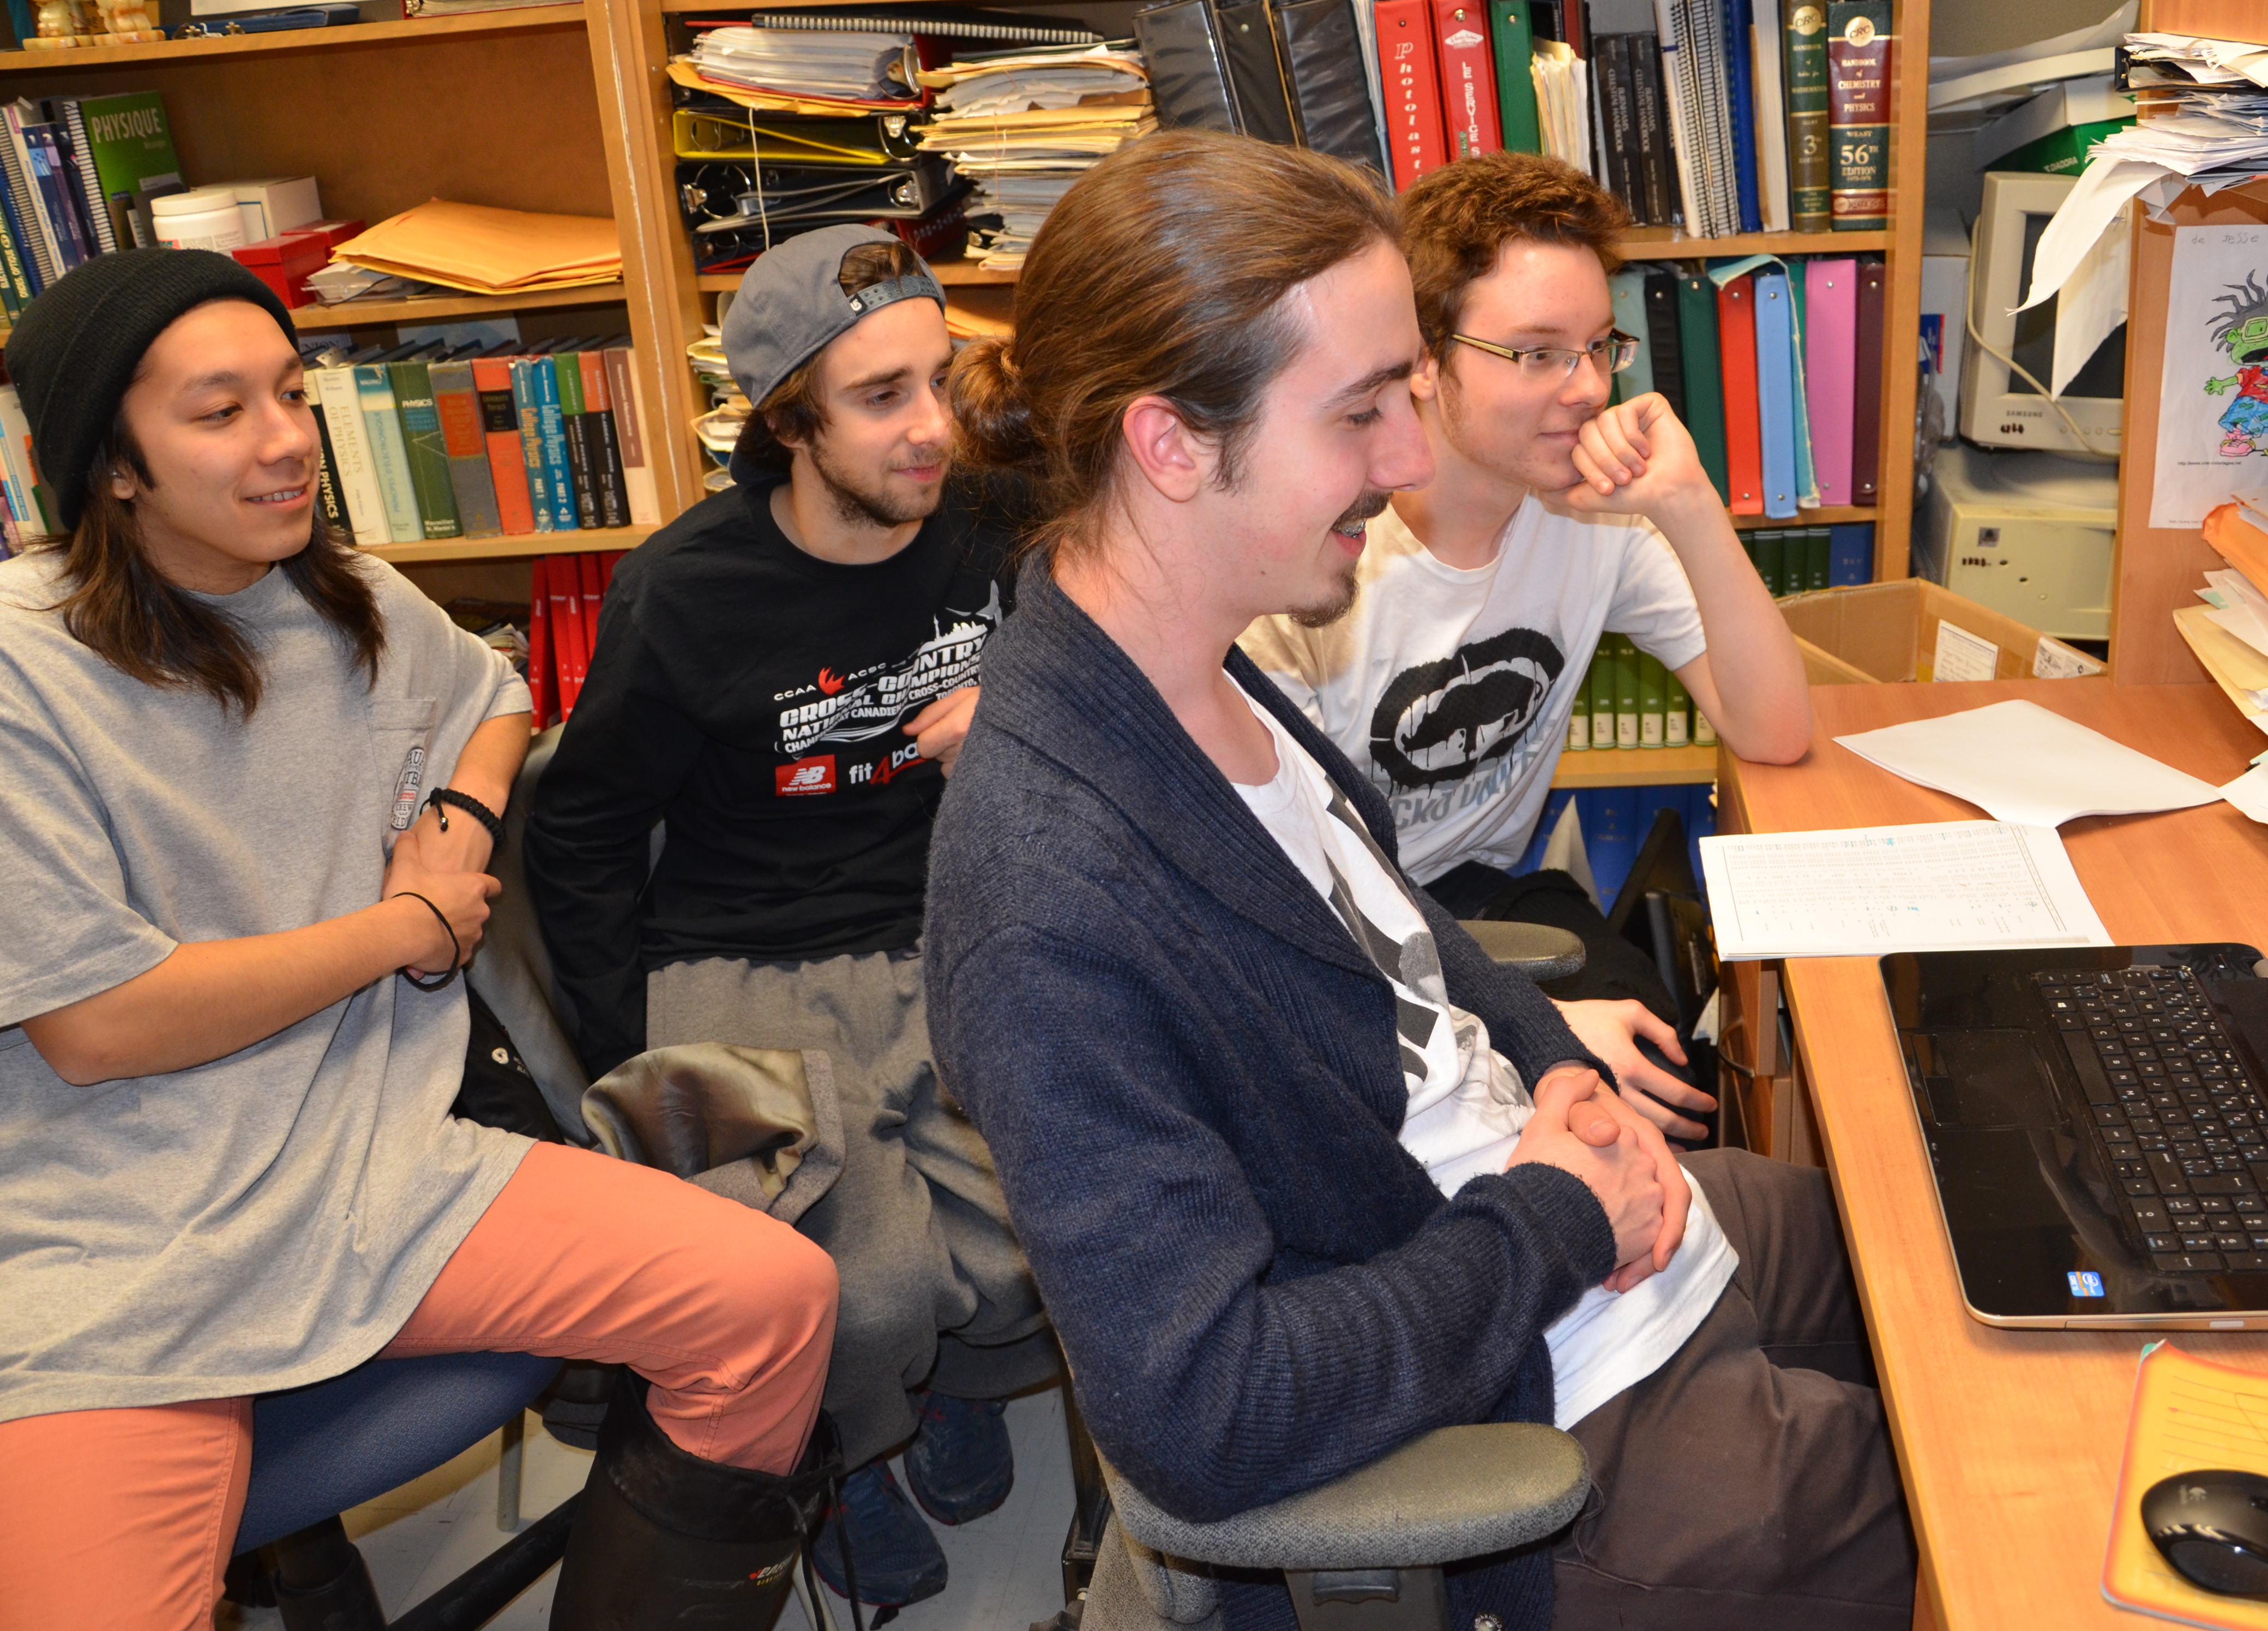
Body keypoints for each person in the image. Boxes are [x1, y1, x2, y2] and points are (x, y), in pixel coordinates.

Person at [923, 132, 1912, 1631]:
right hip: (1534, 1383)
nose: (1402, 462)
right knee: (1977, 1491)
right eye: (1361, 413)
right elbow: (1201, 1413)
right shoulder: (1047, 907)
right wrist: (1557, 1220)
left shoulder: (1202, 670)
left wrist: (1543, 1051)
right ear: (1173, 444)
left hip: (1548, 1210)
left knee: (1909, 1247)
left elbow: (1397, 929)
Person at [0, 251, 841, 1631]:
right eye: (221, 414)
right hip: (114, 1238)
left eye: (291, 392)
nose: (285, 444)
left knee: (770, 1299)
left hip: (374, 1167)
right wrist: (402, 926)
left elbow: (494, 687)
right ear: (112, 465)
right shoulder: (24, 672)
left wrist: (458, 807)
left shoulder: (351, 599)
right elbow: (98, 1029)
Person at [526, 225, 1046, 1617]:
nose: (933, 429)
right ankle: (842, 1455)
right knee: (850, 1298)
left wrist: (1024, 716)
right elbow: (574, 830)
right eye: (883, 397)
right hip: (727, 963)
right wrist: (626, 1056)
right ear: (788, 421)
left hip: (953, 926)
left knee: (1054, 1226)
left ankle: (954, 1386)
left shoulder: (999, 522)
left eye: (942, 378)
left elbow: (1148, 656)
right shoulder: (683, 590)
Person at [1239, 154, 1811, 1134]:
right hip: (1327, 934)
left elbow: (1775, 730)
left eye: (1599, 346)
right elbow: (1284, 895)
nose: (1586, 390)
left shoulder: (1596, 520)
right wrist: (1526, 1025)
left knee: (1678, 1075)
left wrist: (1690, 505)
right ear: (1423, 356)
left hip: (1484, 896)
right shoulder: (1319, 553)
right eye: (1537, 353)